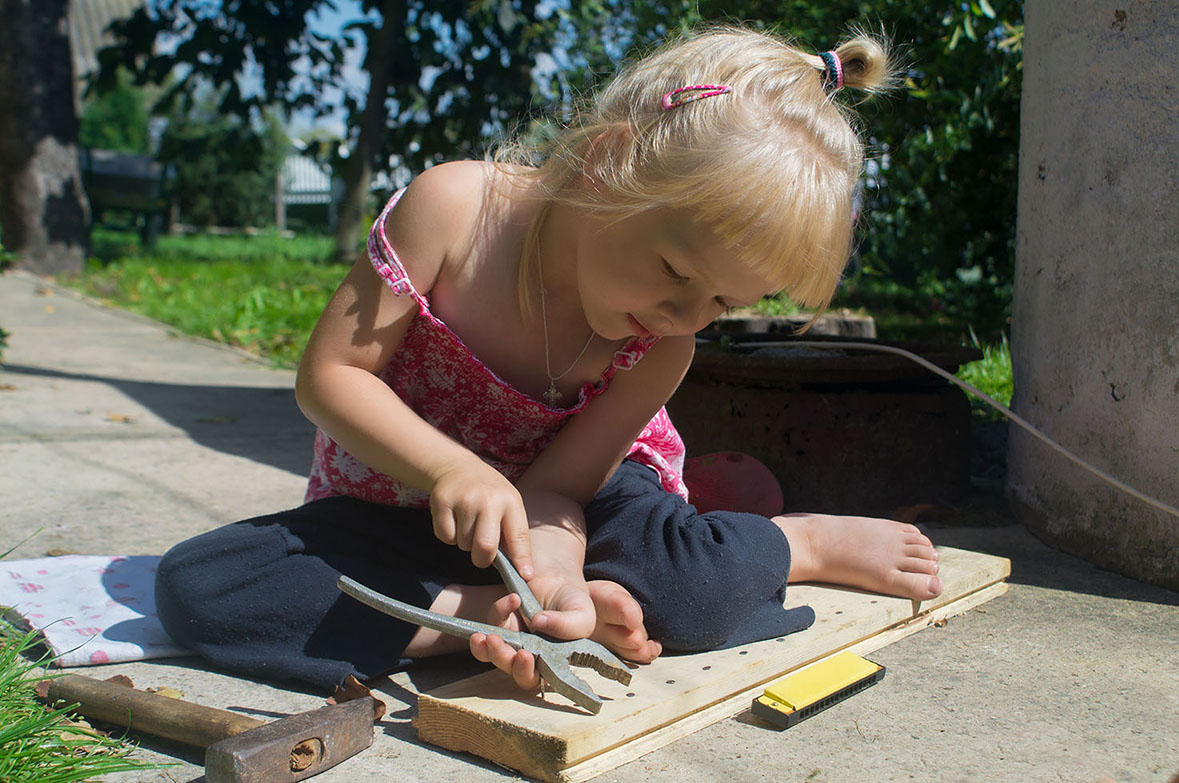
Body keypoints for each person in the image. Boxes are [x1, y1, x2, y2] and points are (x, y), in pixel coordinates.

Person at [155, 26, 943, 699]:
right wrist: (450, 471)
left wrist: (558, 581)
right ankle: (473, 615)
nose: (684, 317)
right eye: (674, 272)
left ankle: (795, 543)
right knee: (207, 587)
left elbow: (561, 488)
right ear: (606, 162)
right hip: (402, 498)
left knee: (689, 595)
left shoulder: (659, 347)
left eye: (723, 305)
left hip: (574, 502)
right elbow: (330, 376)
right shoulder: (455, 212)